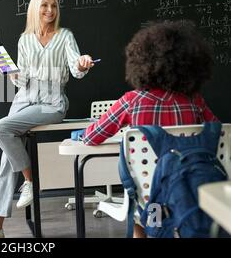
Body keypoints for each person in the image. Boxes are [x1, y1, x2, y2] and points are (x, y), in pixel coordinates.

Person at [81, 20, 218, 238]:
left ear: (141, 62)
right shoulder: (195, 102)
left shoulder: (131, 101)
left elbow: (90, 137)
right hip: (189, 194)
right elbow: (218, 135)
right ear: (189, 65)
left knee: (138, 207)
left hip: (148, 200)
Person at [0, 0, 96, 238]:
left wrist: (83, 62)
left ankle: (30, 183)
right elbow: (22, 81)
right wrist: (5, 70)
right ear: (35, 9)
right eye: (44, 6)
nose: (50, 11)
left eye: (53, 6)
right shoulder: (25, 39)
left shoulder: (65, 36)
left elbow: (75, 68)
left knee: (1, 128)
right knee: (6, 160)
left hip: (52, 105)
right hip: (24, 101)